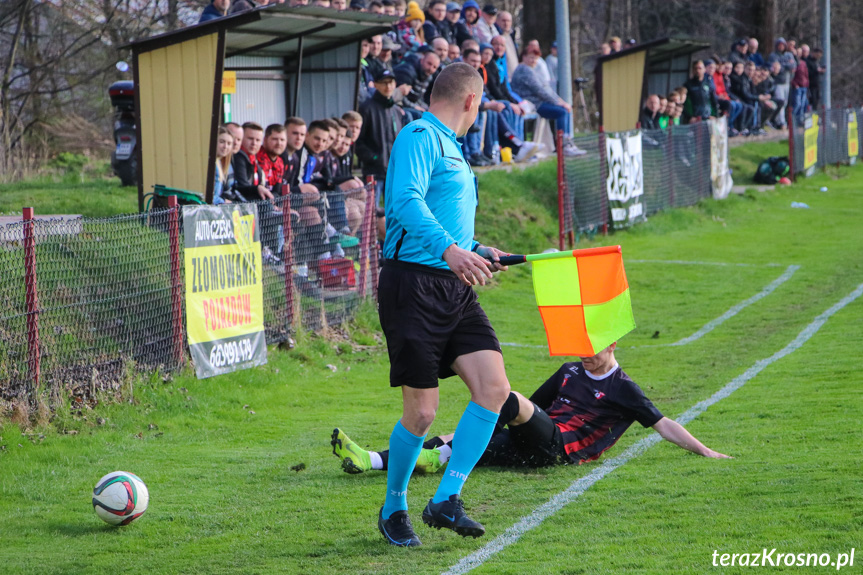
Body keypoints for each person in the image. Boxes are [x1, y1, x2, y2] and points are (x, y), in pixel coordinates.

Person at [372, 62, 513, 547]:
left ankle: (446, 501)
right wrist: (452, 250)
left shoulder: (454, 148)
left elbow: (450, 222)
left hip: (454, 285)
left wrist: (476, 248)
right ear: (472, 101)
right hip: (412, 286)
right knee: (422, 413)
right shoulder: (419, 134)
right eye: (480, 106)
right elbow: (405, 203)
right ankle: (394, 509)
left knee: (493, 389)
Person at [332, 342, 730, 478]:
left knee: (501, 397)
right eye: (581, 349)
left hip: (559, 450)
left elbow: (664, 425)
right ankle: (370, 460)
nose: (585, 357)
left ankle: (443, 453)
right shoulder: (569, 371)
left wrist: (707, 451)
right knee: (468, 433)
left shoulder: (624, 389)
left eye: (594, 350)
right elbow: (534, 408)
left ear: (613, 347)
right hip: (531, 440)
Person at [511, 47, 584, 156]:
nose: (533, 61)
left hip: (539, 102)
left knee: (565, 109)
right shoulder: (523, 70)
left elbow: (547, 89)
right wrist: (557, 102)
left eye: (536, 58)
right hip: (533, 104)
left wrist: (560, 101)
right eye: (531, 58)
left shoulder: (531, 69)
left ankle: (568, 142)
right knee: (561, 112)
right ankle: (563, 145)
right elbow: (539, 90)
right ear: (524, 57)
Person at [356, 70, 405, 206]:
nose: (388, 86)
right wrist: (374, 158)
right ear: (376, 85)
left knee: (394, 214)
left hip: (394, 172)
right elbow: (358, 142)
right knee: (370, 215)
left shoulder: (396, 110)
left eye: (390, 82)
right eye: (383, 83)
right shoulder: (366, 108)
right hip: (374, 172)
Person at [393, 51, 440, 122]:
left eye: (434, 67)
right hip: (399, 105)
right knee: (420, 115)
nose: (430, 68)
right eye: (429, 63)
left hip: (412, 104)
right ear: (421, 61)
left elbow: (418, 97)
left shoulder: (429, 76)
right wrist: (414, 107)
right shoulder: (406, 73)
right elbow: (399, 97)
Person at [767, 37, 796, 128]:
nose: (781, 47)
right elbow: (775, 67)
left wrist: (782, 65)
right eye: (779, 45)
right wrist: (784, 65)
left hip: (787, 82)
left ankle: (780, 121)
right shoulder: (773, 55)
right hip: (778, 82)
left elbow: (793, 65)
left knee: (785, 102)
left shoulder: (789, 55)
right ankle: (781, 122)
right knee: (781, 102)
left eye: (782, 45)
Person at [213, 126, 235, 205]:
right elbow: (207, 196)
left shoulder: (220, 163)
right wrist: (223, 201)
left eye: (229, 143)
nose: (225, 146)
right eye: (222, 142)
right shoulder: (212, 164)